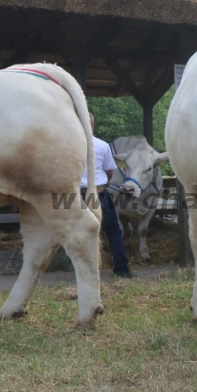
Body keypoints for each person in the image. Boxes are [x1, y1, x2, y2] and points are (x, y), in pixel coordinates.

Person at [82, 113, 134, 279]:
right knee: (113, 231)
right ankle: (122, 269)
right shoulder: (102, 145)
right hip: (98, 193)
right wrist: (103, 183)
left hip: (76, 195)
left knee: (77, 232)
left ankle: (84, 272)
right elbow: (110, 172)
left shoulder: (67, 145)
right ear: (93, 125)